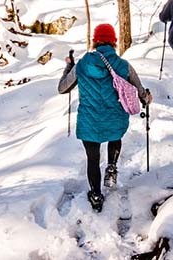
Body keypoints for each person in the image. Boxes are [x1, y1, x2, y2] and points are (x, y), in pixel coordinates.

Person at [57, 24, 151, 212]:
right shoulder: (123, 66)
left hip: (89, 120)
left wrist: (69, 66)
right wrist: (146, 97)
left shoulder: (83, 64)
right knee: (114, 137)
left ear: (95, 41)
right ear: (114, 42)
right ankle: (111, 167)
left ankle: (96, 195)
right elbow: (141, 92)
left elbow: (63, 88)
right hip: (115, 117)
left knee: (92, 158)